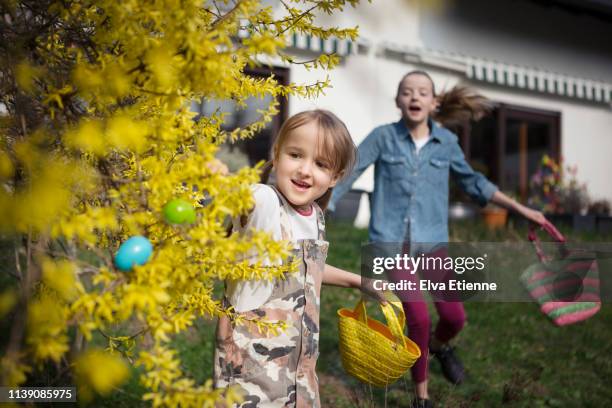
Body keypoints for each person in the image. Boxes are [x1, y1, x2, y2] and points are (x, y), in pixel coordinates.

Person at [328, 71, 548, 408]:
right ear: (398, 100)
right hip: (391, 245)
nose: (414, 97)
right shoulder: (383, 138)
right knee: (418, 316)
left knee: (455, 317)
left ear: (434, 102)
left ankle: (438, 346)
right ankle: (422, 396)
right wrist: (319, 204)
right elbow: (350, 171)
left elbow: (475, 182)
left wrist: (523, 210)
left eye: (422, 92)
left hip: (432, 244)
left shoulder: (446, 143)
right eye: (406, 92)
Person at [213, 109, 386, 407]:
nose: (305, 170)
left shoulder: (314, 217)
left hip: (299, 370)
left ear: (335, 177)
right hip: (251, 367)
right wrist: (220, 176)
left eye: (320, 164)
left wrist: (359, 282)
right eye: (295, 155)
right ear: (277, 154)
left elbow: (310, 269)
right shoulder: (266, 203)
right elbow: (246, 196)